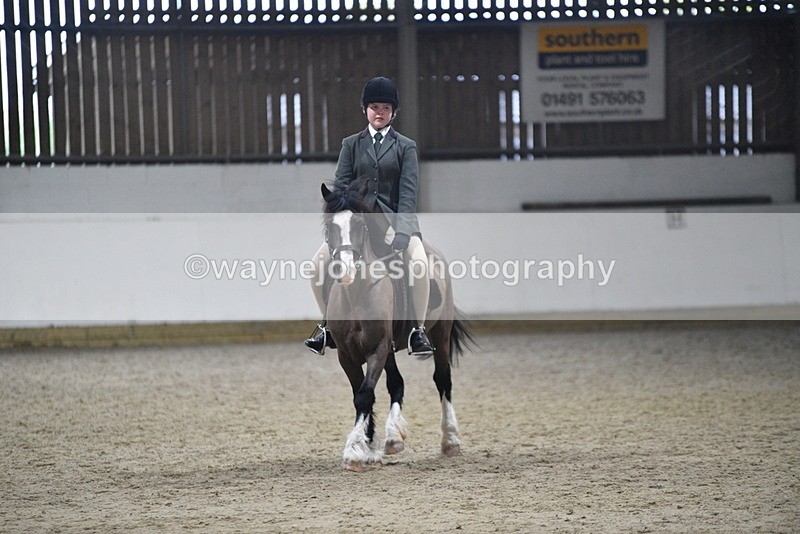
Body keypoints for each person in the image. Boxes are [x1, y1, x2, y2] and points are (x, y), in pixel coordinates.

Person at [304, 76, 434, 357]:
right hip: (356, 226)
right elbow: (340, 188)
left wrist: (402, 230)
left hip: (394, 223)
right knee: (316, 267)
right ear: (365, 109)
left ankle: (417, 330)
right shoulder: (351, 144)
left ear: (393, 112)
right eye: (374, 107)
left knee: (420, 264)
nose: (379, 112)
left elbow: (409, 192)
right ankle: (327, 325)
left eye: (385, 108)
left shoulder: (405, 147)